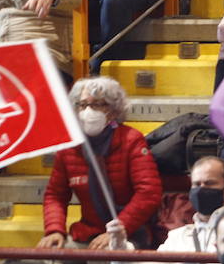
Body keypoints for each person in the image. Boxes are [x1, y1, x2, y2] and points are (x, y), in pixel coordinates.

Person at [89, 156, 224, 264]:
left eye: (209, 184)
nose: (201, 189)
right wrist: (120, 246)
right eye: (196, 184)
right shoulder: (180, 236)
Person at [39, 77, 163, 249]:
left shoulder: (131, 140)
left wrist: (119, 228)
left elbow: (149, 192)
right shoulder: (70, 146)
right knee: (49, 254)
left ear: (112, 111)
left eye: (97, 105)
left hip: (130, 231)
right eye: (82, 105)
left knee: (100, 257)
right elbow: (55, 195)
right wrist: (54, 230)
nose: (88, 110)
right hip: (87, 231)